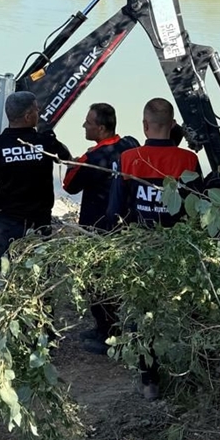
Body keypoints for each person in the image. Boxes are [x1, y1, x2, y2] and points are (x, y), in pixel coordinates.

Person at [105, 97, 201, 400]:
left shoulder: (129, 158)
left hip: (139, 247)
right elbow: (197, 209)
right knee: (180, 312)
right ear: (173, 126)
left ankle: (149, 380)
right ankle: (188, 375)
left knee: (142, 314)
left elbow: (115, 210)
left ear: (145, 125)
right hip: (177, 248)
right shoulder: (188, 161)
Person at [62, 103, 139, 353]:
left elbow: (69, 186)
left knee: (96, 281)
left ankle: (107, 333)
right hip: (125, 224)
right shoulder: (128, 145)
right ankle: (107, 328)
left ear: (102, 128)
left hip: (96, 228)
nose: (84, 125)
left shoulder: (92, 158)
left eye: (89, 122)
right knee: (114, 279)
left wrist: (73, 165)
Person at [0, 91, 71, 264]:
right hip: (39, 224)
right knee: (36, 278)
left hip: (6, 222)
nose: (39, 112)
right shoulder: (45, 142)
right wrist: (50, 138)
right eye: (37, 109)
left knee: (7, 277)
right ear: (28, 116)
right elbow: (68, 160)